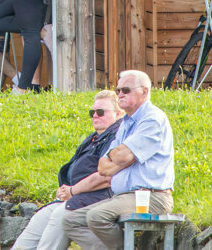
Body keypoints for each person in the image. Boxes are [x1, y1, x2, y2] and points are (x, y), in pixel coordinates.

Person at [64, 70, 175, 250]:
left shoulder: (152, 119)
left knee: (96, 216)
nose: (120, 94)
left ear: (144, 92)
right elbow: (103, 167)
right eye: (118, 90)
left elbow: (123, 157)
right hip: (124, 196)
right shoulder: (125, 123)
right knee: (70, 220)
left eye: (126, 90)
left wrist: (121, 157)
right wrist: (120, 157)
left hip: (152, 196)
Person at [13, 90, 124, 250]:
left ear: (118, 113)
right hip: (76, 196)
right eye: (92, 112)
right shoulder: (94, 138)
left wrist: (72, 190)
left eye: (100, 112)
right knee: (40, 218)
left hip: (100, 197)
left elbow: (106, 177)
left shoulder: (116, 136)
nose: (94, 116)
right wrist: (65, 189)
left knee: (60, 215)